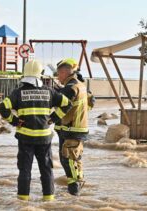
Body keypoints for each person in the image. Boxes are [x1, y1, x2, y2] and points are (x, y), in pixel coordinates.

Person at [0, 60, 72, 201]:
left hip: (25, 138)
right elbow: (67, 103)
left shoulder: (18, 92)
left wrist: (14, 121)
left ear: (25, 74)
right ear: (40, 74)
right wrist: (54, 118)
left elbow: (2, 107)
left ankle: (23, 201)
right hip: (44, 138)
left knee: (25, 170)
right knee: (46, 169)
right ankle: (49, 200)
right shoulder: (49, 91)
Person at [54, 58, 94, 196]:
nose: (57, 77)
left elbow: (63, 107)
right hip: (77, 129)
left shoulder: (71, 88)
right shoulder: (81, 85)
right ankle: (77, 191)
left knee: (68, 160)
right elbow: (91, 103)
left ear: (65, 72)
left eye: (58, 73)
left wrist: (50, 119)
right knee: (74, 160)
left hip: (71, 130)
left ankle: (74, 192)